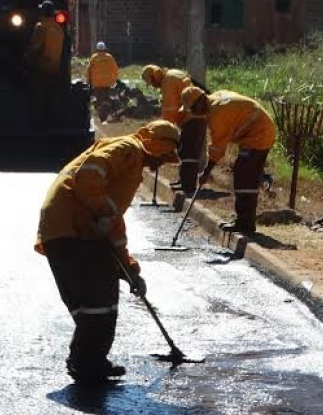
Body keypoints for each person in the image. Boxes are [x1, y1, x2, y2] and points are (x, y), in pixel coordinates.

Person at [35, 120, 180, 384]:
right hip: (76, 229)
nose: (163, 163)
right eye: (165, 155)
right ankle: (87, 363)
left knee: (89, 303)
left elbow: (112, 223)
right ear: (156, 144)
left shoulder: (130, 161)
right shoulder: (129, 149)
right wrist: (101, 212)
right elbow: (88, 177)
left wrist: (130, 269)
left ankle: (86, 360)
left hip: (67, 230)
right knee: (99, 301)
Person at [180, 86, 276, 235]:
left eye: (192, 109)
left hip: (259, 134)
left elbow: (218, 149)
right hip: (255, 133)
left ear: (199, 103)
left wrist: (206, 171)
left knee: (244, 176)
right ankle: (243, 220)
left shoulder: (217, 114)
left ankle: (246, 224)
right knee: (243, 174)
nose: (193, 114)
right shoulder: (215, 100)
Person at [27, 0, 65, 123]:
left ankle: (38, 121)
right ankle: (52, 121)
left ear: (42, 12)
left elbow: (35, 48)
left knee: (39, 96)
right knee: (51, 96)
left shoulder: (40, 27)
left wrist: (26, 58)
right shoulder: (58, 29)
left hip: (41, 67)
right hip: (55, 67)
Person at [86, 41, 119, 122]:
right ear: (105, 48)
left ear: (97, 49)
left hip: (97, 83)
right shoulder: (109, 57)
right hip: (107, 83)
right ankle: (106, 113)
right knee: (106, 98)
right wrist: (113, 80)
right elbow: (115, 69)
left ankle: (102, 115)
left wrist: (88, 80)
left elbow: (88, 70)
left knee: (99, 99)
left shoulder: (94, 57)